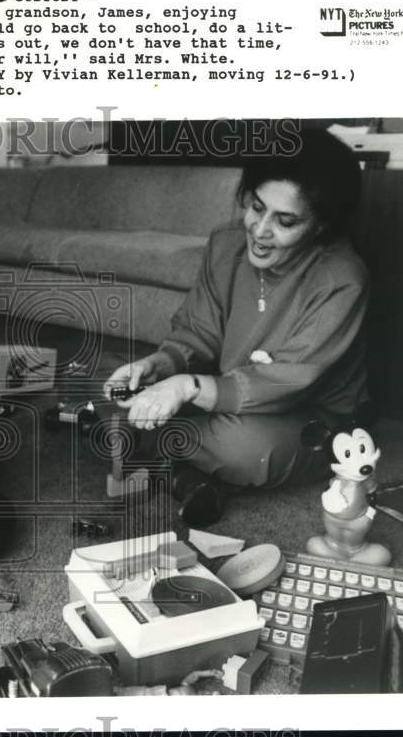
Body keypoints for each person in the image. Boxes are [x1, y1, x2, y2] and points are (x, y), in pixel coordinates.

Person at [104, 128, 368, 523]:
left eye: (285, 221)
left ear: (321, 226)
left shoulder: (342, 279)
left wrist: (185, 388)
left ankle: (166, 458)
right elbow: (198, 333)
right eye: (256, 207)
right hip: (223, 396)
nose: (260, 231)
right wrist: (158, 368)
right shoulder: (225, 245)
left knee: (243, 449)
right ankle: (181, 466)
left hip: (309, 416)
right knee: (116, 388)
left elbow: (289, 381)